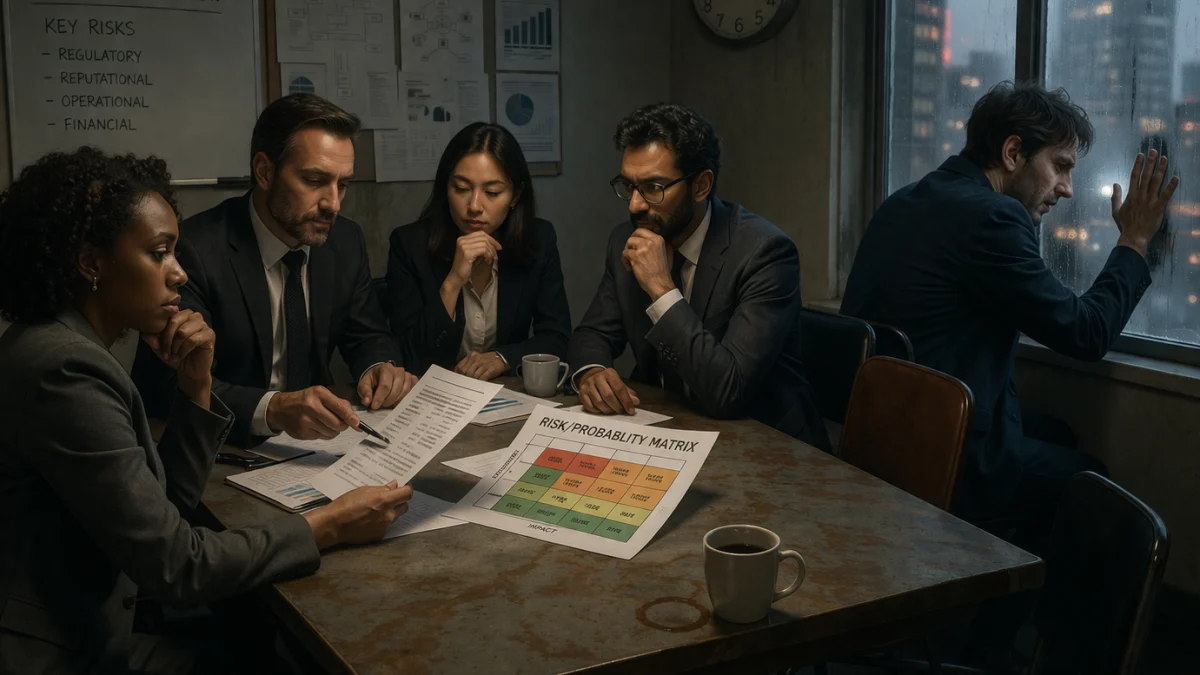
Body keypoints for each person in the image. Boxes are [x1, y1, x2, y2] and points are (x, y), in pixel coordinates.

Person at [0, 147, 412, 674]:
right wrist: (328, 525)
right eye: (158, 253)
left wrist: (196, 387)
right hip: (63, 651)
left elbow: (160, 510)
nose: (178, 274)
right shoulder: (64, 371)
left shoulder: (64, 345)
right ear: (91, 263)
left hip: (99, 622)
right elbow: (177, 565)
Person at [840, 82, 1178, 665]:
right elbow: (1085, 334)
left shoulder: (909, 199)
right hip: (947, 462)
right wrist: (1135, 240)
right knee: (1083, 477)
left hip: (880, 443)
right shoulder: (992, 216)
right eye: (1062, 167)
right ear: (1014, 153)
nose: (1068, 189)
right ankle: (998, 648)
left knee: (1056, 438)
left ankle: (994, 617)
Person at [132, 93, 416, 448]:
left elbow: (367, 334)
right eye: (315, 181)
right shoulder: (196, 250)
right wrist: (273, 409)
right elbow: (166, 386)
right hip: (224, 449)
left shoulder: (344, 240)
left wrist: (379, 366)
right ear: (265, 171)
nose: (334, 203)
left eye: (342, 184)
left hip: (321, 445)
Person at [567, 103, 830, 451]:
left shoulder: (765, 253)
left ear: (701, 185)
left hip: (765, 444)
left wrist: (661, 288)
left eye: (653, 187)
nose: (634, 205)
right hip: (672, 428)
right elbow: (593, 333)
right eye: (628, 185)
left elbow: (727, 392)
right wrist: (591, 371)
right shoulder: (626, 240)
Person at [386, 122, 570, 380]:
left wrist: (502, 358)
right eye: (461, 188)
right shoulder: (409, 245)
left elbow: (557, 338)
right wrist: (452, 282)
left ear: (515, 196)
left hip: (505, 396)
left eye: (492, 192)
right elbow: (410, 357)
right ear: (445, 188)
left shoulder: (539, 239)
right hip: (433, 397)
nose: (474, 206)